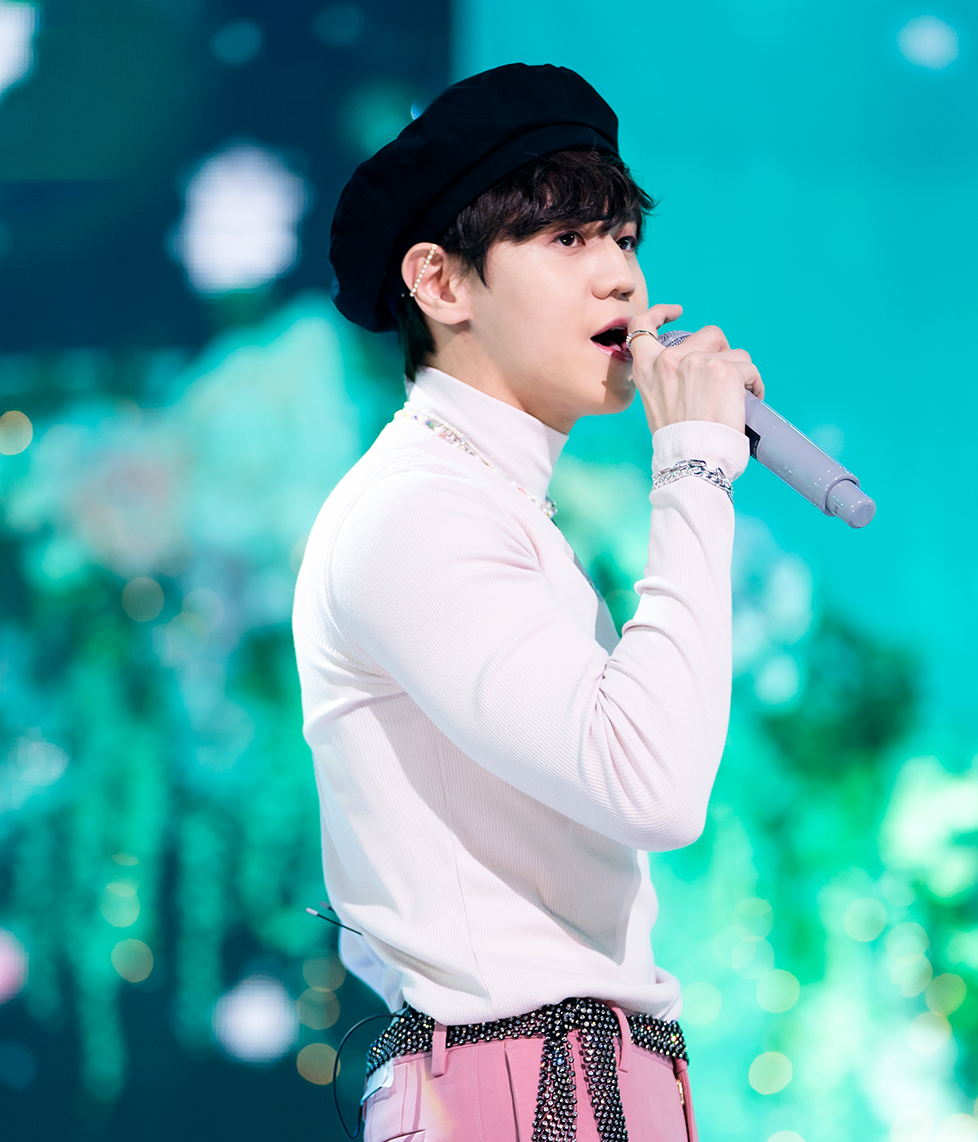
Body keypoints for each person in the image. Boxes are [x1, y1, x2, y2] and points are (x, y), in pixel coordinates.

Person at [293, 62, 763, 1142]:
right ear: (441, 282)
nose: (620, 282)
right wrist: (691, 467)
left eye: (624, 240)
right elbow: (653, 788)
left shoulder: (487, 503)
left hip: (569, 1079)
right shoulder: (415, 512)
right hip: (514, 1089)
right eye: (567, 239)